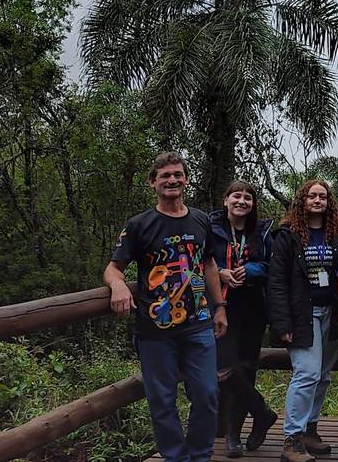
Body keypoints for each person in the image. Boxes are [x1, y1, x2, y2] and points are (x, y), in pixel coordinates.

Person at [105, 152, 228, 462]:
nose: (172, 180)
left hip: (198, 324)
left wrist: (220, 306)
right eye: (165, 176)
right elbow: (113, 268)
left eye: (177, 174)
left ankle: (200, 454)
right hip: (155, 329)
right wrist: (118, 285)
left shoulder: (201, 219)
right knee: (162, 400)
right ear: (153, 183)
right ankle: (176, 457)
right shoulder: (139, 225)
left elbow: (209, 264)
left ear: (186, 179)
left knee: (207, 394)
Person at [268, 179, 338, 462]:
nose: (317, 200)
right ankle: (292, 439)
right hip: (303, 313)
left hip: (332, 312)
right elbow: (276, 282)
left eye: (322, 196)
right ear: (302, 200)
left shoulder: (337, 233)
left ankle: (310, 430)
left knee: (323, 375)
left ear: (329, 202)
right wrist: (282, 323)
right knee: (307, 373)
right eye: (312, 196)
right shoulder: (287, 235)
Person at [209, 180, 278, 457]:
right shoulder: (211, 228)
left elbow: (271, 264)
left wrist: (249, 269)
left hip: (252, 305)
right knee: (223, 367)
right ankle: (261, 411)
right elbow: (201, 260)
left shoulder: (261, 232)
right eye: (236, 196)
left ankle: (234, 436)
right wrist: (221, 272)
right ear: (226, 200)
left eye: (248, 198)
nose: (242, 201)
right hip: (220, 304)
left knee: (247, 368)